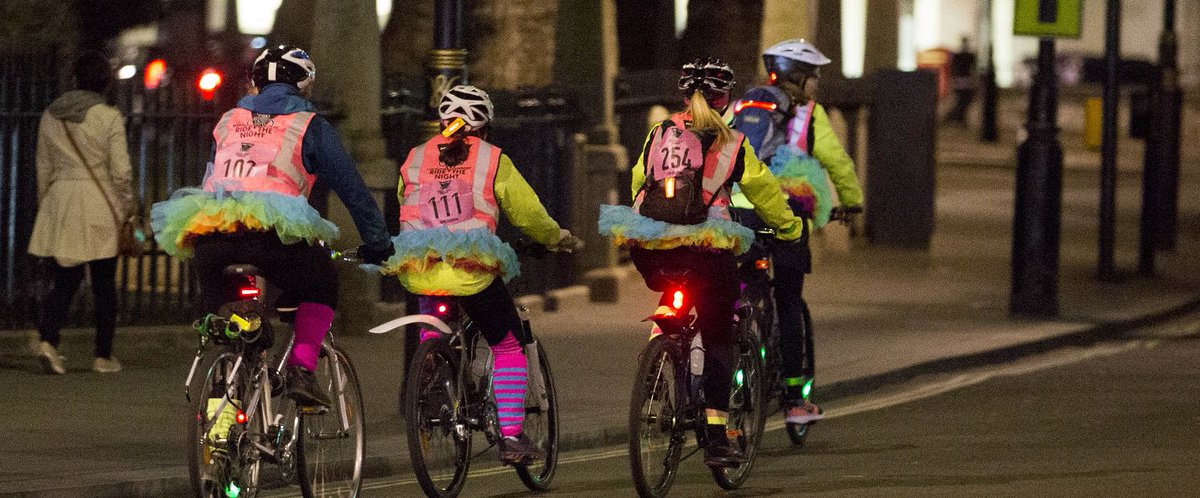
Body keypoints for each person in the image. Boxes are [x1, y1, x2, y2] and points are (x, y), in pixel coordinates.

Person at [151, 45, 394, 407]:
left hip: (213, 235)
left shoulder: (229, 120)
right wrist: (378, 242)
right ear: (303, 83)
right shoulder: (308, 124)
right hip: (272, 237)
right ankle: (302, 370)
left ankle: (221, 415)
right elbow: (352, 189)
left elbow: (212, 178)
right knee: (321, 283)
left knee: (232, 324)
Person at [599, 59, 805, 468]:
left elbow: (640, 181)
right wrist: (790, 228)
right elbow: (764, 192)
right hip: (706, 249)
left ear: (683, 97)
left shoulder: (659, 132)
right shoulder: (732, 142)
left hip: (649, 245)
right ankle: (715, 436)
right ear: (725, 100)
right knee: (717, 334)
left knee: (673, 292)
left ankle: (659, 355)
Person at [381, 84, 582, 465]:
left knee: (435, 323)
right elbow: (528, 213)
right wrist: (556, 238)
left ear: (442, 122)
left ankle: (433, 375)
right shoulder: (492, 159)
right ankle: (511, 435)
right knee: (507, 346)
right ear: (484, 127)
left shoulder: (416, 157)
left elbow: (404, 201)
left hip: (422, 266)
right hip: (471, 270)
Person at [729, 39, 864, 426]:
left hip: (739, 212)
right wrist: (852, 202)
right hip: (785, 216)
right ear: (799, 78)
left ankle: (731, 367)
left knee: (738, 290)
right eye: (813, 76)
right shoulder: (808, 115)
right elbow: (837, 162)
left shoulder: (743, 106)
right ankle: (794, 401)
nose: (816, 83)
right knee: (788, 301)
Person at [27, 51, 133, 375]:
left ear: (74, 79)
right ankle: (102, 355)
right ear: (105, 82)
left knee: (65, 280)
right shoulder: (108, 116)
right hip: (99, 203)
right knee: (104, 284)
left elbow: (43, 166)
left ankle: (49, 341)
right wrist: (127, 206)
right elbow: (121, 172)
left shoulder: (51, 115)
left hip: (61, 199)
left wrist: (47, 203)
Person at [947, 36, 978, 123]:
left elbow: (953, 69)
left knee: (963, 101)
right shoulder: (966, 56)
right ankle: (960, 118)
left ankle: (960, 118)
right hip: (963, 81)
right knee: (962, 101)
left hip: (963, 81)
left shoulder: (965, 56)